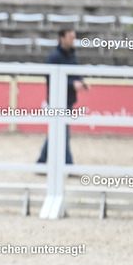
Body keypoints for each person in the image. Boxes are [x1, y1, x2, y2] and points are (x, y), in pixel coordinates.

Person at [36, 28, 90, 165]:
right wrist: (72, 84)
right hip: (58, 101)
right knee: (63, 134)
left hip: (67, 99)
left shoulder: (71, 55)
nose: (73, 40)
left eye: (74, 37)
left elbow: (74, 73)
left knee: (57, 133)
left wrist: (81, 82)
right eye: (71, 37)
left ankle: (42, 161)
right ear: (62, 38)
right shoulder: (54, 57)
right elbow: (50, 77)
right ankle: (68, 164)